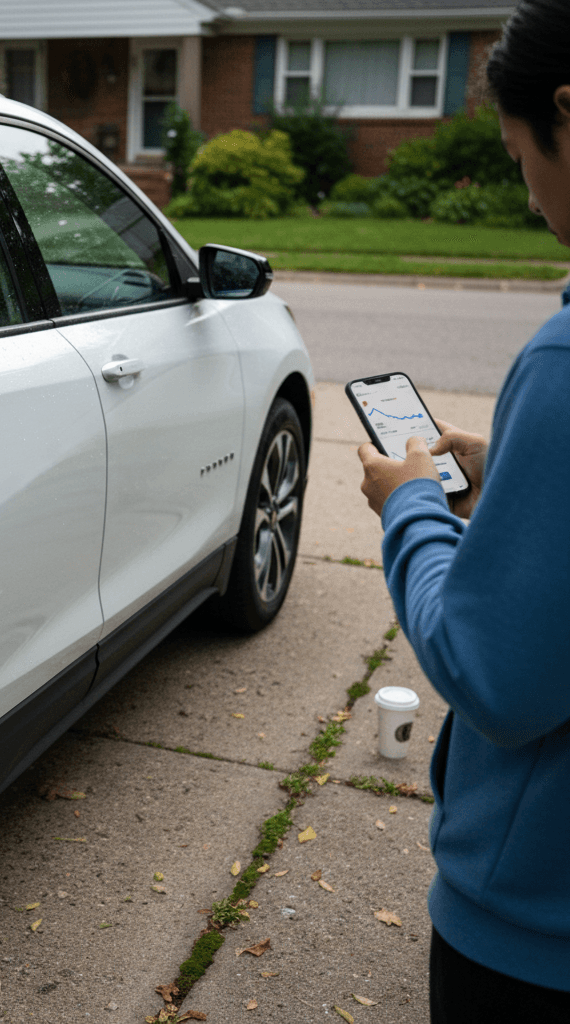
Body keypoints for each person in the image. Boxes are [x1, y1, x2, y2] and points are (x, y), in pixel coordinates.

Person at [355, 2, 570, 1020]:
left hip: (537, 930)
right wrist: (524, 477)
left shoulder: (565, 363)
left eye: (517, 147)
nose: (526, 187)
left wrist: (411, 513)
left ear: (566, 115)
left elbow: (497, 675)